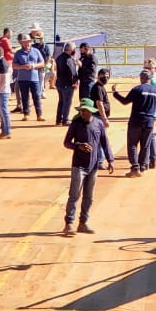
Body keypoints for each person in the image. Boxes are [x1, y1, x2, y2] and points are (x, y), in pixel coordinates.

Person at [61, 98, 115, 235]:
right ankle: (69, 224)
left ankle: (83, 223)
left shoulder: (98, 124)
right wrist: (78, 146)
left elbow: (105, 142)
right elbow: (67, 142)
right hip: (78, 165)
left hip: (94, 165)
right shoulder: (76, 123)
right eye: (82, 110)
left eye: (85, 111)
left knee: (89, 196)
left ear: (91, 112)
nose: (83, 113)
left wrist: (110, 160)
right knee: (74, 194)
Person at [112, 69, 156, 177]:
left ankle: (135, 167)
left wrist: (115, 93)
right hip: (149, 122)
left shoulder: (137, 89)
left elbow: (125, 101)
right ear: (150, 79)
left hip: (136, 121)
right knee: (145, 145)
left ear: (141, 78)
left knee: (132, 145)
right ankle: (142, 166)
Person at [11, 33, 46, 121]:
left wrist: (34, 66)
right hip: (22, 78)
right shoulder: (18, 53)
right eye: (25, 42)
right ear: (21, 43)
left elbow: (42, 63)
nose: (27, 44)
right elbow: (14, 65)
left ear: (31, 42)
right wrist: (23, 67)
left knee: (36, 96)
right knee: (24, 96)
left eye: (29, 42)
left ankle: (39, 115)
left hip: (34, 78)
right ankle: (26, 114)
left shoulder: (36, 51)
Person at [53, 41, 79, 126]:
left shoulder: (59, 57)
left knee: (61, 101)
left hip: (59, 83)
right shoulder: (69, 59)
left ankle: (58, 120)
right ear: (71, 50)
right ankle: (65, 119)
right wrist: (75, 83)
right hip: (67, 84)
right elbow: (72, 73)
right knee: (67, 102)